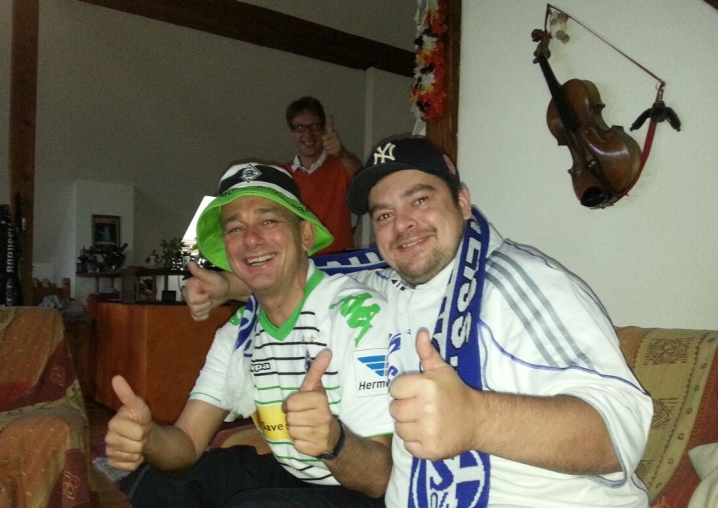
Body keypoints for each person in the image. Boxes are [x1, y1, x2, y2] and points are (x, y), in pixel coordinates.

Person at [184, 137, 654, 507]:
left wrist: (476, 418)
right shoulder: (392, 282)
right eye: (384, 214)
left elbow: (619, 436)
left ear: (463, 203)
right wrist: (228, 286)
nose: (402, 224)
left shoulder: (518, 282)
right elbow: (298, 273)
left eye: (420, 200)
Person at [106, 163, 394, 508]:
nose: (251, 240)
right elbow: (187, 441)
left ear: (304, 235)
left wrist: (333, 440)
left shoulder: (358, 315)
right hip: (294, 476)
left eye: (268, 221)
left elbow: (379, 479)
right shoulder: (238, 333)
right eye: (235, 228)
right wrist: (148, 436)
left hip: (363, 490)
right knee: (159, 482)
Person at [283, 96, 362, 254]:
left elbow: (368, 184)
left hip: (339, 262)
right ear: (292, 133)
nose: (308, 134)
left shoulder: (342, 165)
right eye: (300, 128)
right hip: (299, 262)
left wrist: (342, 153)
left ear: (324, 129)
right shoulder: (281, 174)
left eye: (314, 126)